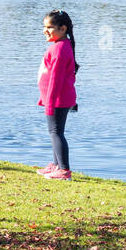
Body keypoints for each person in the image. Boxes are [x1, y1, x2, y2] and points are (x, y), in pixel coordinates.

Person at [36, 9, 79, 181]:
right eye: (44, 27)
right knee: (55, 131)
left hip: (57, 100)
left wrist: (50, 103)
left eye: (50, 27)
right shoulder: (60, 46)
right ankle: (56, 165)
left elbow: (56, 79)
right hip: (56, 99)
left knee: (55, 132)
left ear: (63, 28)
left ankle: (64, 170)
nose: (45, 30)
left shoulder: (60, 49)